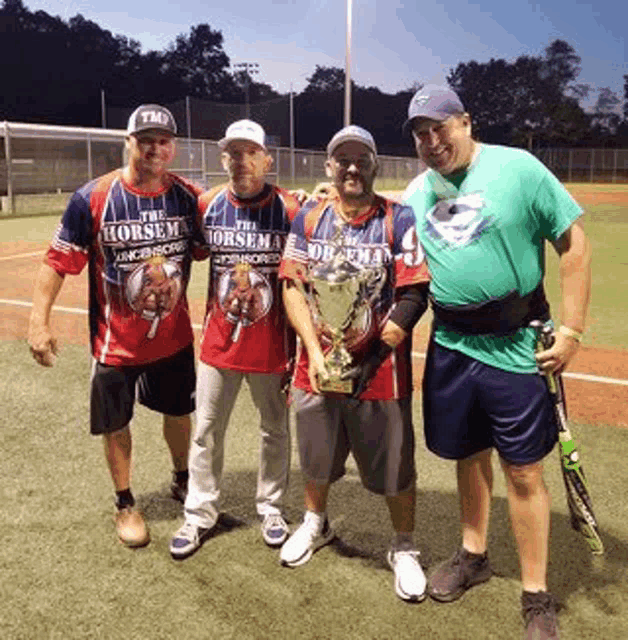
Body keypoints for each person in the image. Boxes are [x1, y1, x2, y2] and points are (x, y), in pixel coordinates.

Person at [402, 85, 592, 639]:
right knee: (468, 454)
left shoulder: (519, 169)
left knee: (525, 470)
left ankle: (536, 593)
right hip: (453, 344)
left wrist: (574, 329)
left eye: (440, 127)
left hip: (516, 345)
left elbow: (573, 244)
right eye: (420, 133)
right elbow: (375, 220)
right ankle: (473, 554)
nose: (431, 141)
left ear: (465, 122)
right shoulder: (417, 189)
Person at [28, 104, 206, 548]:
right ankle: (125, 502)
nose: (154, 148)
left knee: (179, 413)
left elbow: (219, 233)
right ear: (128, 143)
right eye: (145, 139)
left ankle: (182, 478)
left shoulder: (187, 198)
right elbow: (58, 262)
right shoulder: (93, 198)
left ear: (173, 147)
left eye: (163, 140)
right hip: (116, 342)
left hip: (173, 337)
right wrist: (38, 321)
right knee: (116, 423)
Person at [278, 125, 431, 602]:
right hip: (318, 370)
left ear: (373, 165)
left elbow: (414, 294)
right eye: (341, 159)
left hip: (382, 374)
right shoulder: (308, 217)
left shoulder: (397, 219)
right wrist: (317, 351)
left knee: (395, 466)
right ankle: (314, 522)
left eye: (360, 159)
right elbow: (291, 285)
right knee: (316, 454)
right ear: (329, 167)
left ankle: (404, 547)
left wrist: (377, 355)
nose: (350, 167)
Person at [169, 119, 301, 559]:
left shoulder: (290, 208)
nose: (242, 161)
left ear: (266, 159)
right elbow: (193, 252)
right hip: (218, 345)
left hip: (273, 346)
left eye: (251, 153)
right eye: (233, 153)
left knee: (275, 431)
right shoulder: (207, 205)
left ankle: (272, 507)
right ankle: (199, 513)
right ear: (223, 158)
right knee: (206, 431)